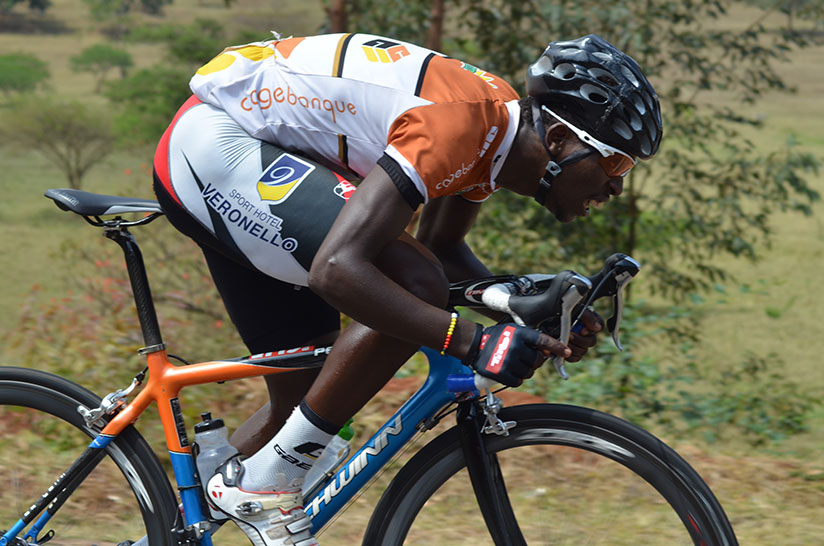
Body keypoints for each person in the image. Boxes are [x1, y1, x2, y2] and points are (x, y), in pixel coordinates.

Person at [152, 32, 662, 546]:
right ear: (557, 141)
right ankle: (268, 484)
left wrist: (529, 311)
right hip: (212, 144)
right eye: (615, 163)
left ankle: (181, 533)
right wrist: (471, 342)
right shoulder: (463, 125)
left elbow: (442, 249)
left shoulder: (495, 135)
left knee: (311, 397)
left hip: (245, 150)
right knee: (409, 285)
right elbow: (338, 269)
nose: (617, 187)